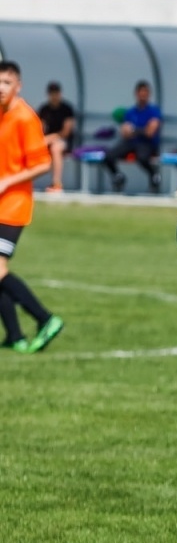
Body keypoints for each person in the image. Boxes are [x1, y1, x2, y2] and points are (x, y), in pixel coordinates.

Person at [0, 61, 65, 354]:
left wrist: (7, 182)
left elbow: (43, 163)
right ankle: (14, 336)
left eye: (6, 83)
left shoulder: (25, 117)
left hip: (13, 205)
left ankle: (46, 319)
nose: (1, 89)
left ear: (18, 86)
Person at [103, 80, 161, 194]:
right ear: (136, 94)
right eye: (141, 92)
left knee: (142, 158)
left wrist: (134, 130)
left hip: (147, 143)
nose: (143, 95)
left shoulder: (154, 111)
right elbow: (125, 132)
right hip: (131, 142)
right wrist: (138, 130)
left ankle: (154, 175)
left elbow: (150, 132)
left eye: (145, 93)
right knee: (108, 156)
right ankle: (118, 176)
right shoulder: (130, 112)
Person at [38, 81, 74, 194]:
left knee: (55, 148)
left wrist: (50, 138)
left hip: (63, 141)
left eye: (56, 93)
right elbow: (40, 128)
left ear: (60, 94)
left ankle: (56, 183)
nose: (54, 96)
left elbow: (66, 132)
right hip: (46, 141)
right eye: (51, 93)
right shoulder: (44, 109)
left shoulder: (67, 109)